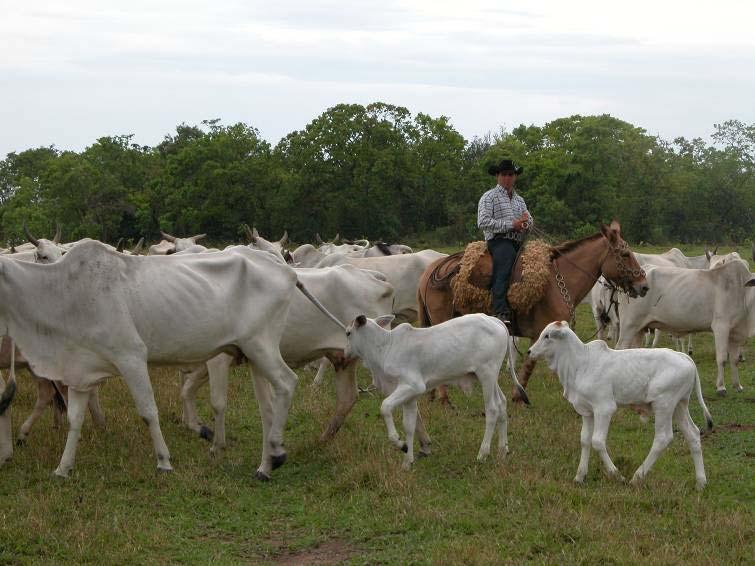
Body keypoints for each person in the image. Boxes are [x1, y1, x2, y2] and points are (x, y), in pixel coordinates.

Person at [477, 159, 533, 325]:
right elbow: (483, 222)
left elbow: (530, 221)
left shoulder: (519, 200)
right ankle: (499, 310)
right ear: (497, 176)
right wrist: (512, 225)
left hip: (518, 242)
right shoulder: (489, 197)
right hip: (499, 242)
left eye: (511, 174)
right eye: (504, 174)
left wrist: (525, 224)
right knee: (505, 262)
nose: (508, 178)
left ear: (515, 177)